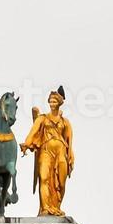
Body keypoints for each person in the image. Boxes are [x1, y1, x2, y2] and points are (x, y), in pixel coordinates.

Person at [21, 87, 75, 216]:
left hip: (61, 152)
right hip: (46, 151)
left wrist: (71, 156)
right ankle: (45, 208)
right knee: (44, 178)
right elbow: (32, 132)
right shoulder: (42, 118)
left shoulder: (65, 122)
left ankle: (56, 206)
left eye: (54, 101)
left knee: (61, 183)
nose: (52, 104)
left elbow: (69, 141)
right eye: (50, 101)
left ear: (59, 103)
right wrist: (26, 144)